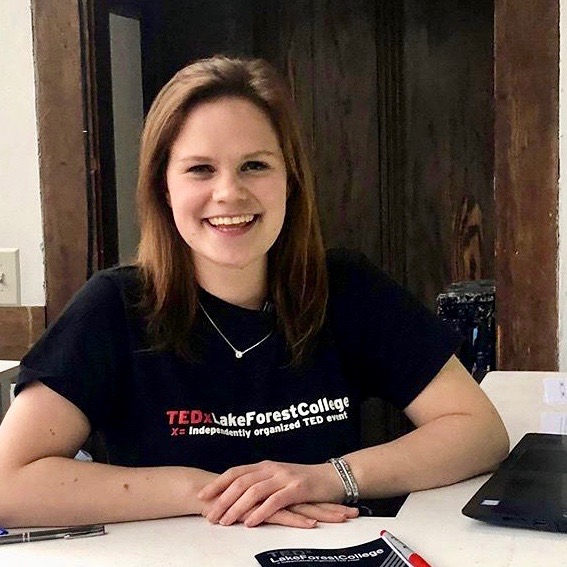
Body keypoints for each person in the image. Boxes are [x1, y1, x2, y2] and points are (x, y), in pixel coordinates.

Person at [0, 55, 508, 529]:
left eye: (255, 165)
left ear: (290, 180)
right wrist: (209, 491)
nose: (228, 193)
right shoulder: (113, 306)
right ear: (163, 187)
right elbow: (9, 481)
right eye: (200, 168)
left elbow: (478, 431)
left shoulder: (348, 287)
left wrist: (326, 476)